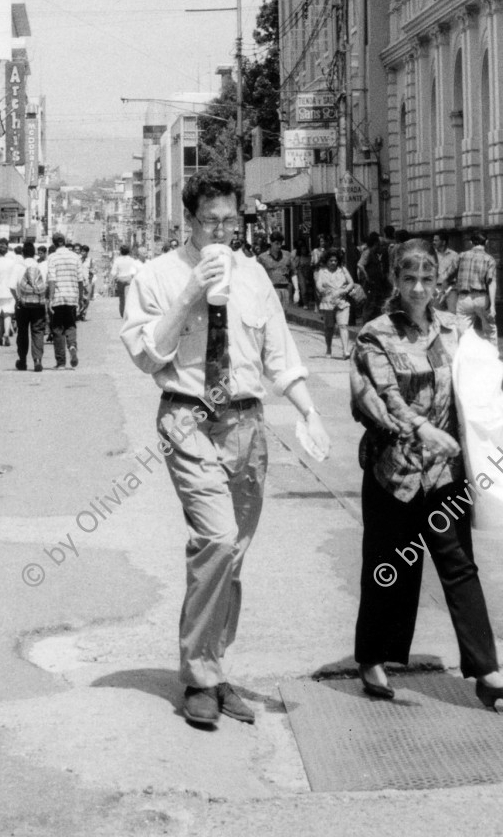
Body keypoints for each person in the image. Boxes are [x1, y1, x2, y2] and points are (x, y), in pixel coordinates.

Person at [121, 173, 330, 732]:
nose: (221, 231)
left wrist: (309, 411)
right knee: (214, 537)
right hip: (187, 415)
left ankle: (211, 668)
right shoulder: (156, 276)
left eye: (230, 221)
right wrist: (191, 294)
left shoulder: (256, 274)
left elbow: (280, 354)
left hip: (245, 422)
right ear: (189, 219)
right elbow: (146, 356)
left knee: (231, 555)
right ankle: (197, 676)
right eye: (211, 221)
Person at [346, 240, 503, 709]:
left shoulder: (455, 329)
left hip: (446, 474)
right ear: (395, 280)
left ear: (439, 282)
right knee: (387, 569)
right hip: (394, 472)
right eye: (409, 279)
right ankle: (371, 658)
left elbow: (481, 381)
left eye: (427, 280)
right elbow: (381, 396)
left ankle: (487, 672)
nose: (419, 289)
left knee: (460, 567)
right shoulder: (375, 334)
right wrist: (423, 429)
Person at [451, 228, 497, 344]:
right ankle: (491, 358)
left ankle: (465, 358)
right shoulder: (489, 259)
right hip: (482, 298)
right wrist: (492, 306)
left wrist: (443, 290)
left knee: (463, 333)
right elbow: (491, 282)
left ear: (471, 242)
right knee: (490, 331)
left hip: (464, 298)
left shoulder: (461, 256)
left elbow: (448, 275)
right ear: (486, 242)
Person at [46, 230, 84, 367]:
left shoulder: (52, 257)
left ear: (54, 243)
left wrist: (50, 299)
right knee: (71, 325)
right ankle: (72, 346)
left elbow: (51, 279)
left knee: (57, 329)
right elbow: (80, 280)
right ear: (65, 242)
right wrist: (80, 298)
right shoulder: (75, 257)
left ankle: (61, 362)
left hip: (58, 298)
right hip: (72, 296)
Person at [13, 239, 48, 372]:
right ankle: (37, 360)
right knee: (38, 331)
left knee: (22, 332)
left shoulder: (17, 266)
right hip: (38, 305)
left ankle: (22, 361)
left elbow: (11, 286)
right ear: (34, 254)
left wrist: (17, 299)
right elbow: (46, 285)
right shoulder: (41, 266)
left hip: (22, 305)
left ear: (23, 253)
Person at [314, 250, 355, 357]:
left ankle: (345, 351)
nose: (333, 263)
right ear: (326, 261)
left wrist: (344, 291)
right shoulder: (322, 271)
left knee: (343, 326)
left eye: (335, 261)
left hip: (342, 301)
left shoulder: (343, 270)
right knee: (329, 327)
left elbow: (351, 283)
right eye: (331, 260)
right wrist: (321, 289)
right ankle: (328, 348)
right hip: (328, 302)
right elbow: (318, 284)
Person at [356, 232, 392, 323]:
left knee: (375, 304)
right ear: (375, 243)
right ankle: (366, 324)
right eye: (378, 244)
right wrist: (366, 276)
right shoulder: (367, 252)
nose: (380, 246)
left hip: (375, 283)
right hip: (369, 283)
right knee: (369, 304)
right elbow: (360, 265)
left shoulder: (375, 253)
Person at [111, 245, 138, 317]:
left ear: (120, 252)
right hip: (129, 279)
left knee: (121, 298)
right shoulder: (132, 260)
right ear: (128, 252)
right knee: (129, 297)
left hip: (120, 279)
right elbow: (135, 271)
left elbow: (113, 272)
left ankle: (122, 313)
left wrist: (115, 277)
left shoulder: (117, 260)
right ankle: (130, 313)